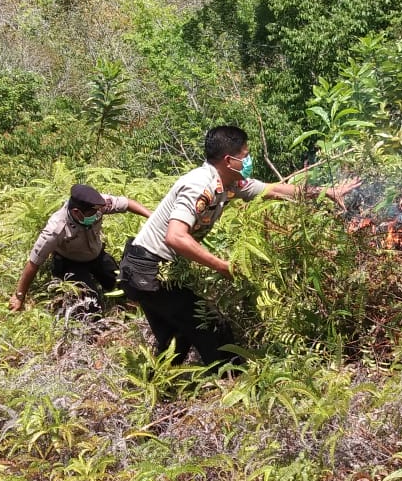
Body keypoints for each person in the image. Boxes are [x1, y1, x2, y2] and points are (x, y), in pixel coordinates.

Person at [120, 125, 359, 367]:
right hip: (146, 270)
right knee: (212, 324)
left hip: (145, 270)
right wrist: (222, 266)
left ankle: (159, 389)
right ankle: (229, 382)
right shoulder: (200, 185)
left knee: (175, 338)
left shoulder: (231, 182)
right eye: (245, 156)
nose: (248, 161)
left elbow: (273, 190)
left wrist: (326, 192)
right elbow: (176, 237)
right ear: (228, 160)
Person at [9, 183, 151, 313]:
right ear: (77, 212)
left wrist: (151, 216)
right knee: (90, 304)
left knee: (122, 284)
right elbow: (34, 263)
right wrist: (19, 295)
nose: (98, 213)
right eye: (93, 212)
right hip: (71, 263)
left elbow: (127, 204)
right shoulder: (56, 229)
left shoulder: (97, 204)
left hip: (97, 255)